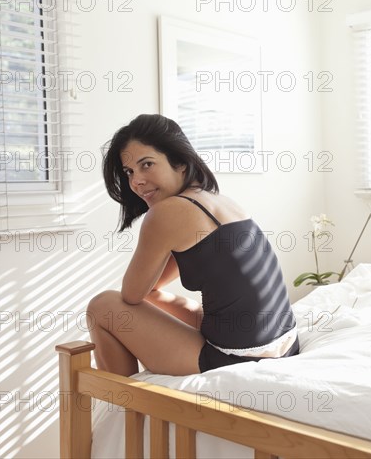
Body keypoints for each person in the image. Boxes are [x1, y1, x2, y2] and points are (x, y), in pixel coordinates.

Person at [87, 114, 299, 377]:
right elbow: (149, 291)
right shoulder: (217, 200)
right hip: (286, 344)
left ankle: (123, 404)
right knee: (163, 300)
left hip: (239, 357)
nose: (136, 181)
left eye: (147, 164)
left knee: (103, 305)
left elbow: (130, 295)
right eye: (130, 171)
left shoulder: (167, 212)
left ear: (180, 163)